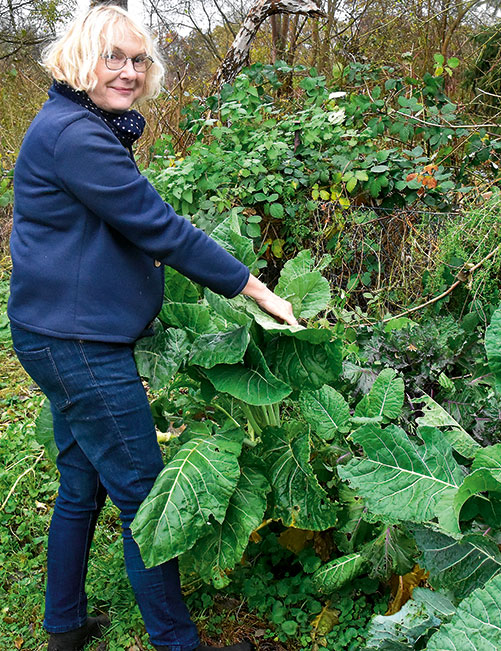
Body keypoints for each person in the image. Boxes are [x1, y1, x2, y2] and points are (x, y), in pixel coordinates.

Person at [7, 5, 296, 651]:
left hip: (54, 332)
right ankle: (177, 642)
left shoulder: (74, 123)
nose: (130, 72)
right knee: (147, 500)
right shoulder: (77, 136)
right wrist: (253, 287)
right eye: (114, 56)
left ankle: (63, 627)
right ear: (81, 57)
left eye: (139, 60)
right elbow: (159, 226)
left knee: (81, 483)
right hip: (80, 345)